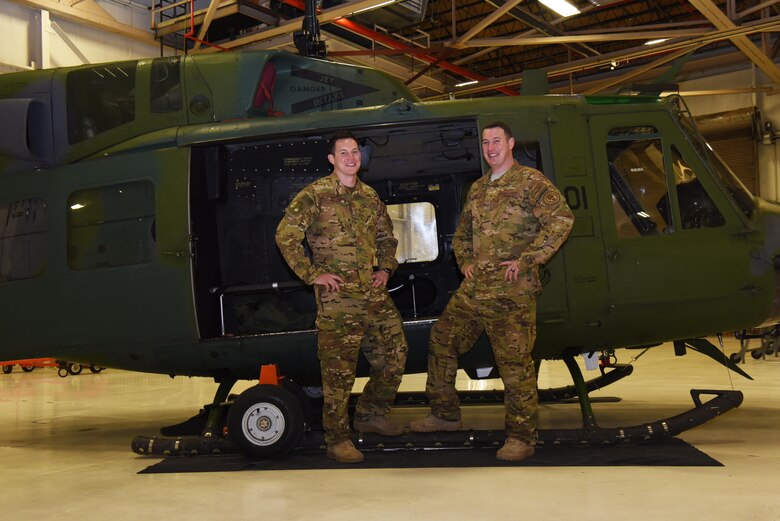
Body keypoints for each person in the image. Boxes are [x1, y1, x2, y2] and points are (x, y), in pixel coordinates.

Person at [410, 122, 574, 461]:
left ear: (510, 143)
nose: (490, 147)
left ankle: (522, 437)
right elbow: (462, 234)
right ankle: (444, 414)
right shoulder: (479, 188)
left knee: (514, 363)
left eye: (496, 140)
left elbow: (562, 219)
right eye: (485, 142)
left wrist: (529, 259)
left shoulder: (530, 182)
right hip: (475, 289)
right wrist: (465, 261)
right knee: (441, 338)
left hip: (512, 292)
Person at [275, 131, 408, 463]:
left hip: (373, 292)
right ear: (332, 159)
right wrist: (311, 274)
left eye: (355, 152)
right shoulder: (315, 195)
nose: (351, 157)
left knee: (395, 354)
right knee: (338, 372)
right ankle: (337, 439)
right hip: (339, 299)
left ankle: (371, 414)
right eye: (343, 153)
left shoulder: (369, 196)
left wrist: (385, 270)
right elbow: (285, 236)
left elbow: (387, 239)